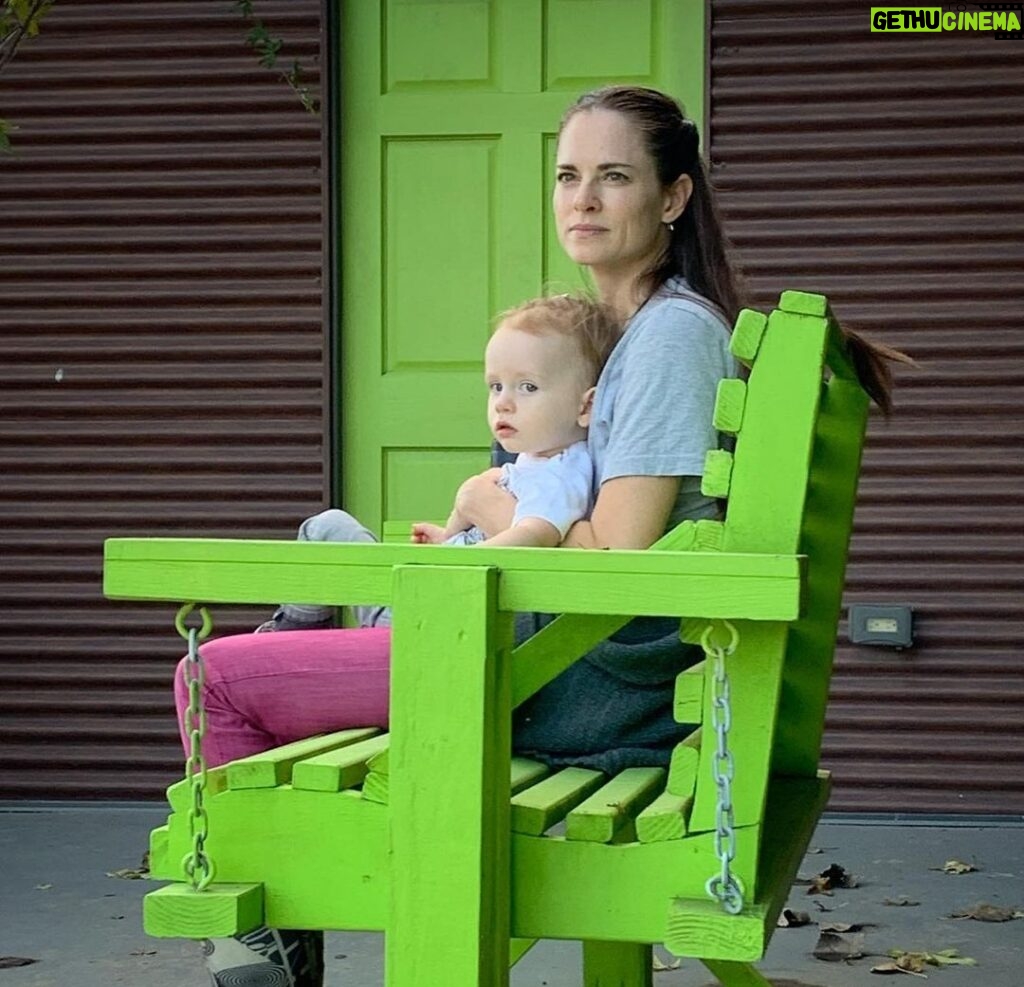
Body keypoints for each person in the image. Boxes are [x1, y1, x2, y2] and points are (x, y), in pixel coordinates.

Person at [180, 85, 907, 987]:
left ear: (672, 198)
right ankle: (307, 670)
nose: (584, 198)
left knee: (213, 678)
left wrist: (489, 520)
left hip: (558, 679)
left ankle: (272, 940)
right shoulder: (630, 334)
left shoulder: (670, 336)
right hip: (561, 661)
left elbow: (621, 562)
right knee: (326, 556)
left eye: (613, 176)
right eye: (569, 176)